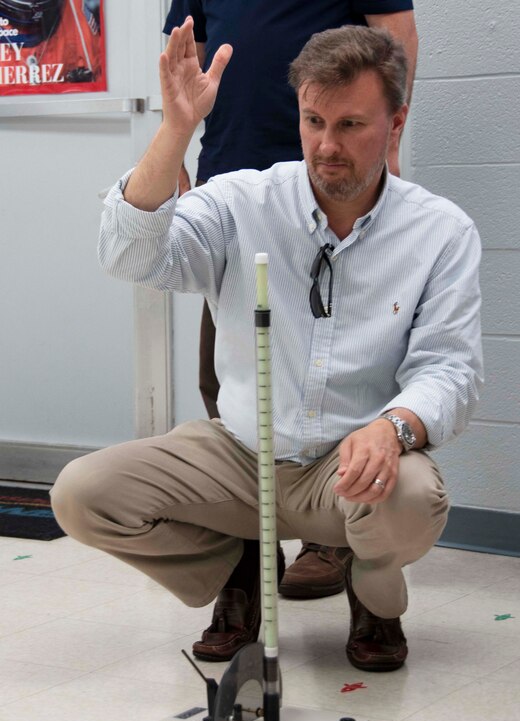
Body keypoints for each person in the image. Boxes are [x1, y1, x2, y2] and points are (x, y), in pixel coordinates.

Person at [51, 20, 483, 672]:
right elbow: (130, 255)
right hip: (242, 454)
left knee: (414, 497)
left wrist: (393, 428)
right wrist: (176, 130)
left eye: (350, 126)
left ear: (395, 126)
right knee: (82, 494)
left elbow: (450, 367)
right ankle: (240, 571)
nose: (326, 145)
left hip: (350, 470)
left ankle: (375, 598)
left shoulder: (440, 232)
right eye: (313, 121)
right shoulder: (242, 200)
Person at [163, 0, 419, 601]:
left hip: (330, 177)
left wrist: (384, 148)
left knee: (339, 366)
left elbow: (396, 37)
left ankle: (333, 532)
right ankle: (246, 552)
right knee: (228, 377)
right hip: (231, 173)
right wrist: (172, 148)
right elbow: (187, 59)